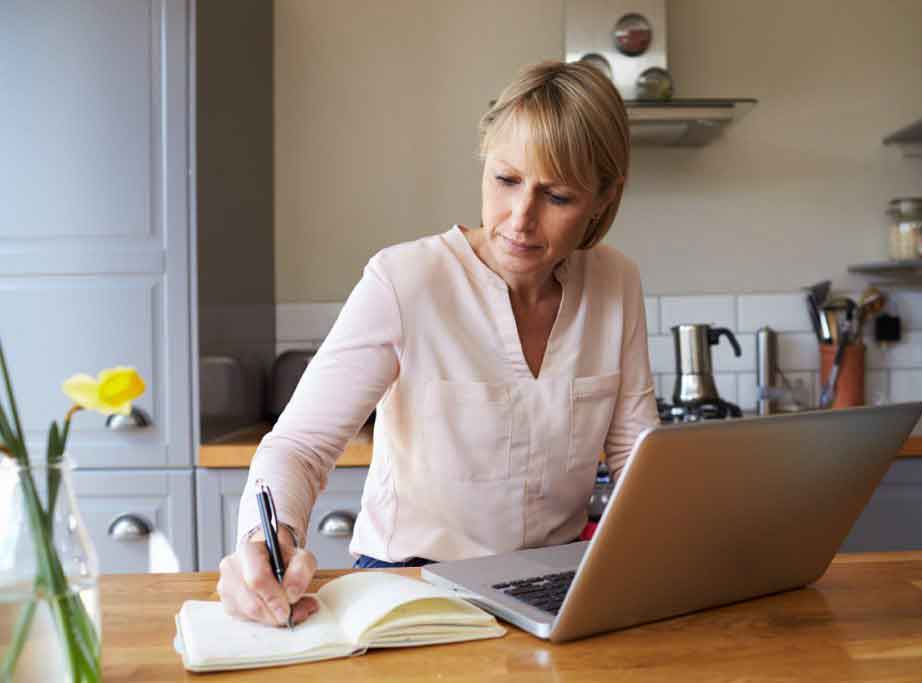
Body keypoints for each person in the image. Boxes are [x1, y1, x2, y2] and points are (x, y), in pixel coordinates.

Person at [217, 60, 659, 627]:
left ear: (604, 197)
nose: (520, 219)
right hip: (412, 583)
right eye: (506, 181)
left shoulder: (615, 282)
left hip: (558, 585)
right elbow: (299, 447)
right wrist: (265, 538)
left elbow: (635, 460)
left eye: (557, 196)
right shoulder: (404, 281)